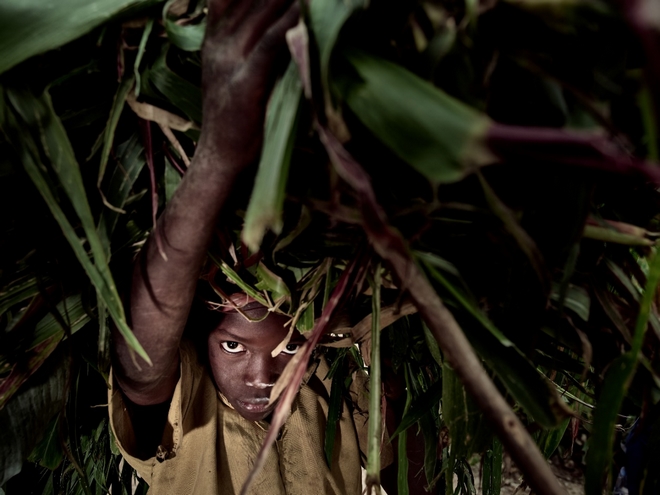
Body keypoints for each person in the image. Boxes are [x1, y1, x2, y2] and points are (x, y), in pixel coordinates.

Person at [109, 1, 395, 493]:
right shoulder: (187, 415)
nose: (264, 376)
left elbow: (405, 466)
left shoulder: (343, 394)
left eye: (291, 346)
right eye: (234, 346)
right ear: (201, 337)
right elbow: (142, 365)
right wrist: (218, 155)